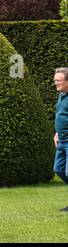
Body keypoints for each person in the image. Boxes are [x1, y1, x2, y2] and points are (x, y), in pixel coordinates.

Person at [55, 67, 68, 210]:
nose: (56, 83)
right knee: (58, 169)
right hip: (61, 140)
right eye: (55, 80)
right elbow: (60, 116)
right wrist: (57, 132)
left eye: (59, 80)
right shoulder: (61, 95)